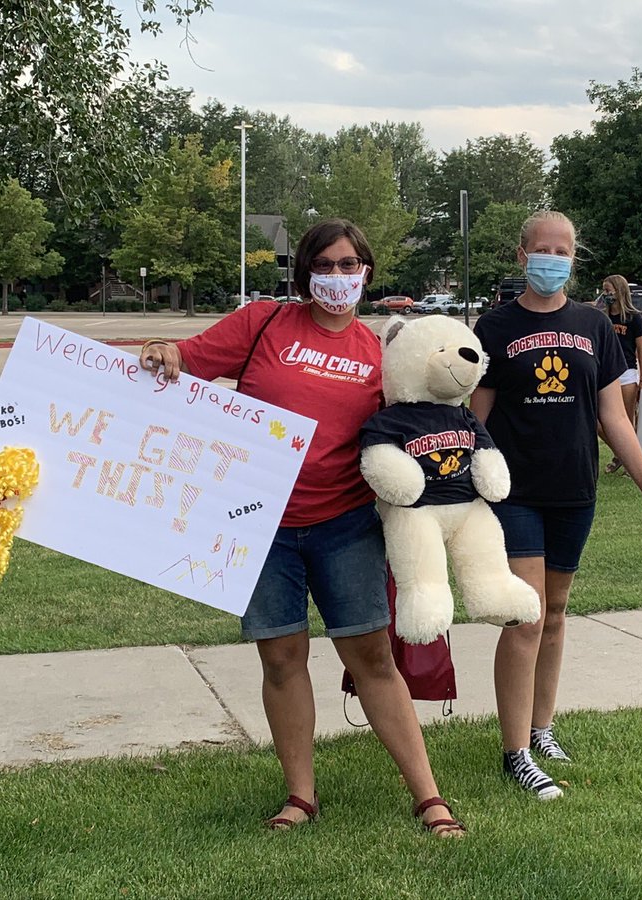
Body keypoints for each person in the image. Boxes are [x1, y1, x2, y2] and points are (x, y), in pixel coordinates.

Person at [139, 219, 464, 837]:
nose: (337, 277)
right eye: (324, 265)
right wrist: (163, 350)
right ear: (304, 272)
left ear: (366, 273)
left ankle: (429, 798)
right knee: (282, 658)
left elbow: (410, 431)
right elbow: (187, 361)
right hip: (259, 527)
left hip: (345, 524)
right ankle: (300, 797)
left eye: (348, 265)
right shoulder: (263, 323)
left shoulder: (381, 354)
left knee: (373, 659)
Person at [470, 210, 642, 800]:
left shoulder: (594, 325)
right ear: (522, 255)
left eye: (563, 251)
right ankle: (515, 752)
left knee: (556, 612)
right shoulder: (495, 326)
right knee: (526, 616)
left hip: (574, 491)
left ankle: (542, 727)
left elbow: (614, 417)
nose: (552, 258)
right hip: (514, 493)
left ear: (574, 259)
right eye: (543, 249)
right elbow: (476, 419)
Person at [598, 274, 642, 474]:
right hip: (605, 372)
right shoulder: (603, 316)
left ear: (619, 291)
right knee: (599, 419)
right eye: (604, 290)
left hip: (627, 371)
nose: (606, 294)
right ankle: (620, 453)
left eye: (608, 290)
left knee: (626, 421)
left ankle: (632, 463)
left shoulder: (634, 318)